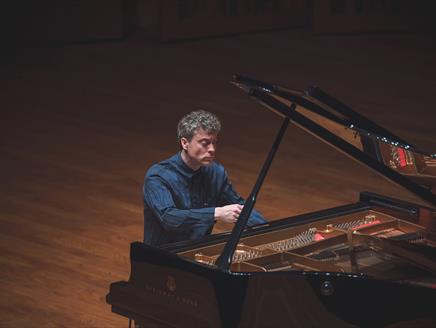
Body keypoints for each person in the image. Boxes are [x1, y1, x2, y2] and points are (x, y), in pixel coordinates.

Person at [142, 110, 267, 246]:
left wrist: (270, 231)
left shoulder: (216, 173)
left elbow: (240, 208)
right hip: (160, 258)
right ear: (185, 143)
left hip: (199, 252)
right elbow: (169, 218)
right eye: (205, 143)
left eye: (214, 142)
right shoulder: (158, 177)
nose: (212, 149)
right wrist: (216, 213)